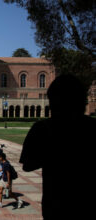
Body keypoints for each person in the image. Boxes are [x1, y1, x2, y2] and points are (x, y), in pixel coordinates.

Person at [20, 75, 96, 219]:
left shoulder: (42, 129)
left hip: (55, 204)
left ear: (53, 101)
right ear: (82, 101)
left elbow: (27, 165)